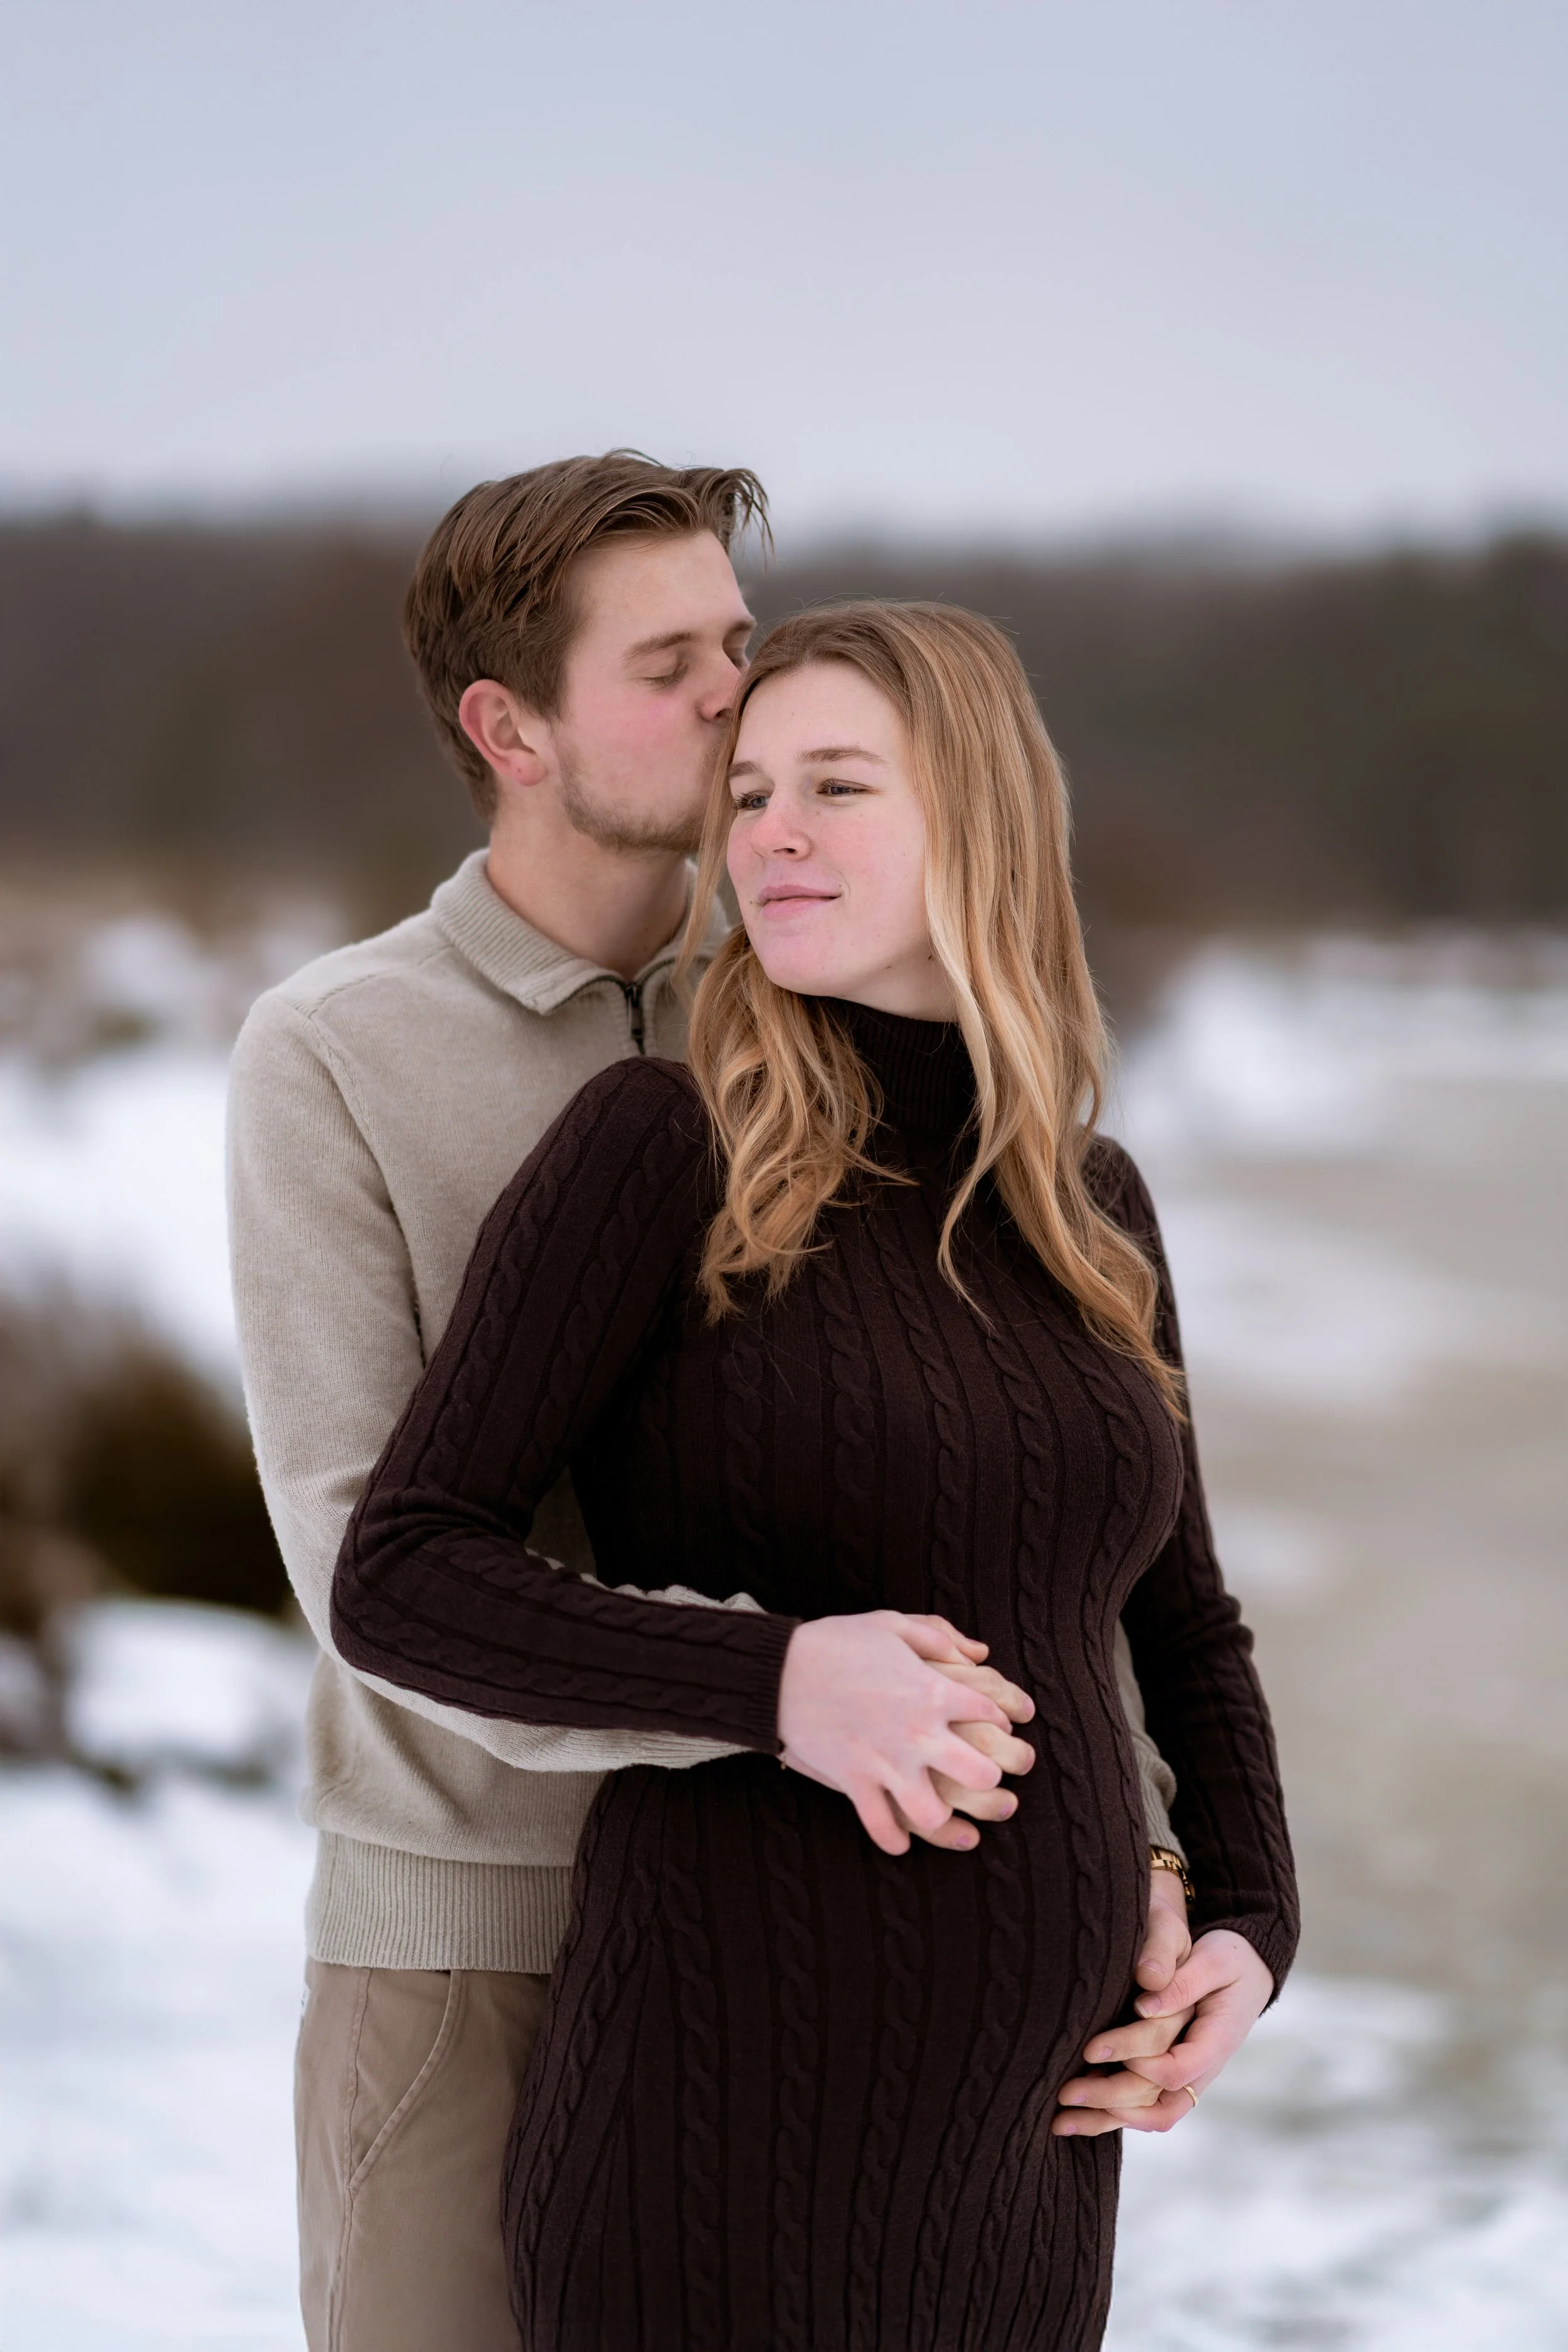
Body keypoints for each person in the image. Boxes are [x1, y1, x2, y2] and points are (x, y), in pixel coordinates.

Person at [228, 457, 1207, 2352]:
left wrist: (1151, 1846)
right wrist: (771, 1687)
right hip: (484, 1927)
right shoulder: (339, 1051)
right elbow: (374, 1550)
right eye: (670, 664)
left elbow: (1050, 1531)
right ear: (510, 728)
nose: (730, 700)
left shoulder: (796, 994)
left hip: (802, 1917)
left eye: (738, 646)